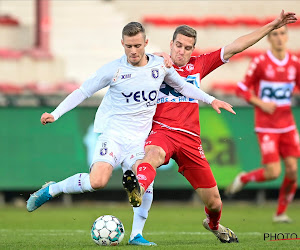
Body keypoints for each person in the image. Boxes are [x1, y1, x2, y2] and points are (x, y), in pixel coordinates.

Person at [26, 22, 234, 244]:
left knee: (144, 177)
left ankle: (136, 234)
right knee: (98, 181)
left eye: (137, 45)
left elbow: (183, 86)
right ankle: (53, 189)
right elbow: (82, 92)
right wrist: (56, 114)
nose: (133, 51)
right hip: (114, 136)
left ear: (145, 43)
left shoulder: (159, 66)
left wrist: (211, 99)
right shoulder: (113, 70)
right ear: (122, 44)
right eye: (128, 46)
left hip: (139, 140)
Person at [123, 10, 297, 244]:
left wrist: (272, 25)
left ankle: (213, 224)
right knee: (153, 154)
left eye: (187, 47)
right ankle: (138, 189)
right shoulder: (155, 64)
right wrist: (155, 54)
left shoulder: (199, 65)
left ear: (193, 50)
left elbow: (237, 46)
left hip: (191, 141)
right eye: (178, 45)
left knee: (214, 202)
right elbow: (133, 58)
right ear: (171, 44)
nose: (181, 51)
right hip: (162, 131)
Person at [225, 25, 300, 223]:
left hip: (288, 124)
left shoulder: (295, 63)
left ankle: (280, 213)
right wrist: (261, 103)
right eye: (274, 34)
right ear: (269, 38)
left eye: (282, 33)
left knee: (292, 169)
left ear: (287, 37)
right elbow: (241, 90)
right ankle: (244, 178)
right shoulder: (260, 62)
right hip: (266, 125)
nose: (279, 37)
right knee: (273, 172)